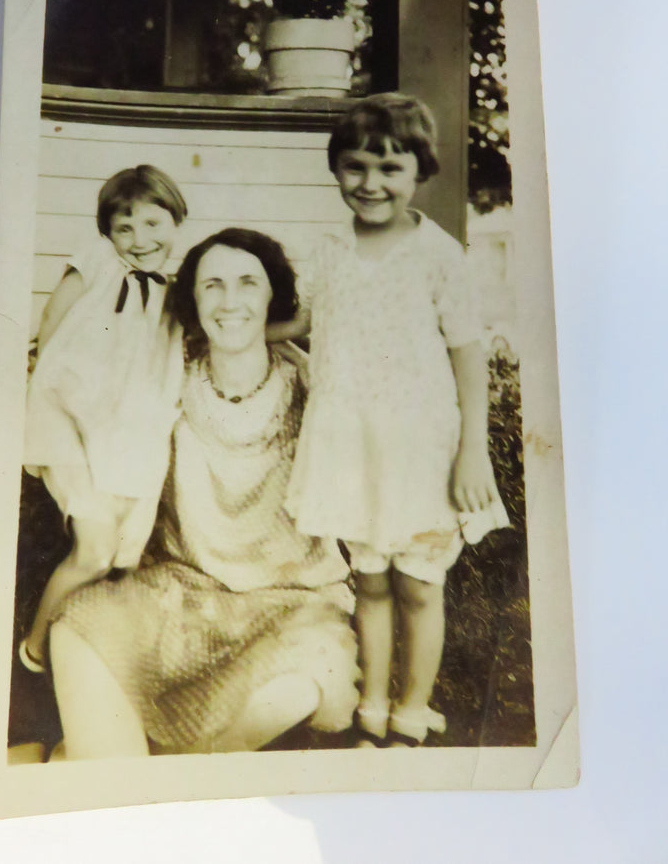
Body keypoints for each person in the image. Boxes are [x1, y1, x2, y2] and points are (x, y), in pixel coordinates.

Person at [49, 228, 359, 758]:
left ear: (272, 298)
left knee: (293, 690)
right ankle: (111, 780)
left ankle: (104, 770)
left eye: (247, 283)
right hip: (178, 592)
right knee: (79, 627)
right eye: (212, 285)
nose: (230, 300)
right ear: (192, 302)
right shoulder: (165, 382)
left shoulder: (314, 388)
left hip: (296, 604)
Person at [271, 93, 509, 747]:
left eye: (389, 168)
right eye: (354, 167)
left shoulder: (438, 255)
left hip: (418, 446)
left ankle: (412, 706)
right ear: (337, 169)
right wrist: (234, 329)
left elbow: (467, 352)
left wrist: (473, 453)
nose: (370, 184)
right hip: (350, 444)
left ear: (418, 171)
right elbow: (304, 321)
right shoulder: (324, 250)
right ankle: (371, 703)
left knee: (420, 583)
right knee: (370, 579)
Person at [18, 165, 188, 673]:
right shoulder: (96, 261)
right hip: (66, 422)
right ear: (108, 232)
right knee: (93, 551)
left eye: (154, 224)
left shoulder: (174, 291)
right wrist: (42, 384)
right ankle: (34, 651)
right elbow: (51, 321)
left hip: (128, 435)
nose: (140, 240)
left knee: (123, 558)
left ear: (176, 220)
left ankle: (93, 654)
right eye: (125, 228)